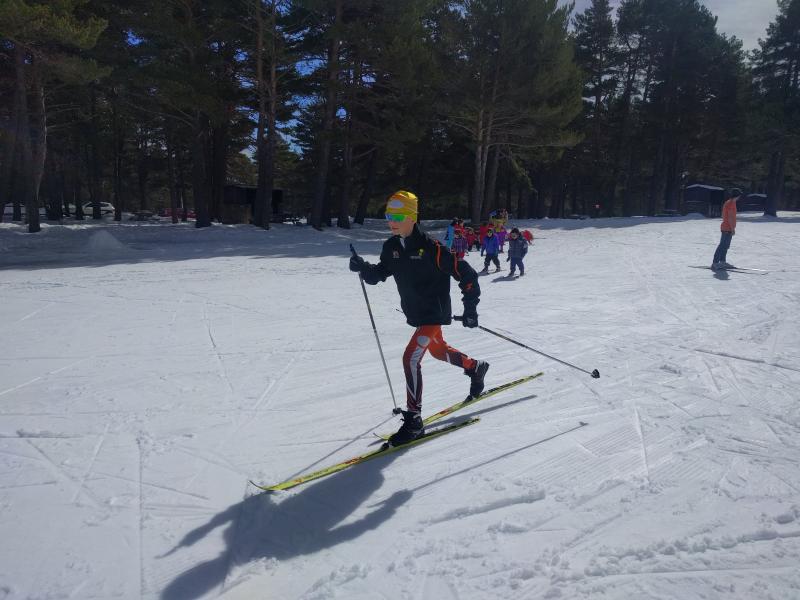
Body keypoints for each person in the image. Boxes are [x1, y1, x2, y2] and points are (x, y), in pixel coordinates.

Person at [349, 191, 490, 446]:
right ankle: (474, 367)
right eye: (389, 216)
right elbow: (379, 274)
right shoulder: (391, 247)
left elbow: (466, 274)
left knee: (411, 358)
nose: (392, 222)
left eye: (398, 216)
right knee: (438, 351)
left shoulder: (432, 248)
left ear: (412, 217)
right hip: (416, 314)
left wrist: (470, 309)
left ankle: (414, 420)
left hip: (434, 313)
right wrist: (363, 268)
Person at [712, 189, 740, 269]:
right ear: (736, 195)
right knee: (722, 245)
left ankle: (722, 261)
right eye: (739, 195)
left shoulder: (732, 202)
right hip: (727, 228)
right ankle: (715, 263)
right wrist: (732, 229)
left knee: (726, 246)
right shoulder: (730, 203)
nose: (739, 197)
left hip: (729, 228)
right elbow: (730, 217)